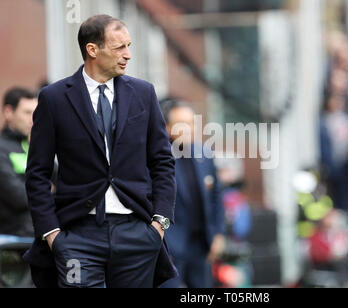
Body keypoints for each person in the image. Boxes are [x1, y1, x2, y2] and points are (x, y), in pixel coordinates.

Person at [24, 15, 176, 288]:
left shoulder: (144, 93)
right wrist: (52, 234)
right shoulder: (54, 98)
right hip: (76, 237)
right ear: (93, 50)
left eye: (129, 46)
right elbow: (37, 173)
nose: (128, 55)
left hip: (137, 234)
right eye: (119, 48)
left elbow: (163, 162)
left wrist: (160, 224)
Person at [159, 98, 225, 288]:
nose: (190, 129)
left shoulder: (203, 154)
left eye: (192, 123)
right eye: (183, 124)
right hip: (169, 248)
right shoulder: (156, 157)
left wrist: (218, 234)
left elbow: (216, 197)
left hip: (201, 246)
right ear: (167, 126)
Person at [0, 87, 37, 237]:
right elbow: (20, 198)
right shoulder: (2, 148)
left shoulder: (34, 146)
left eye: (35, 113)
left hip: (43, 228)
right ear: (8, 112)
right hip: (16, 233)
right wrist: (46, 188)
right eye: (27, 112)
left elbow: (62, 183)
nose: (33, 119)